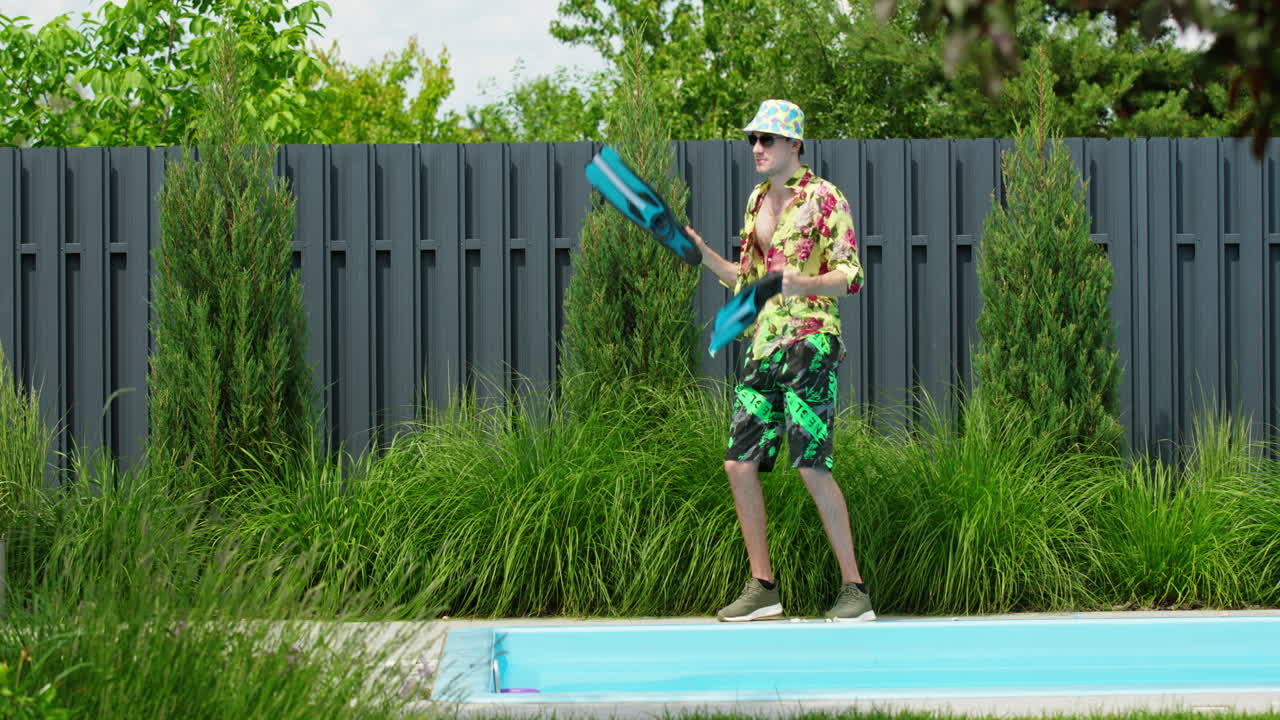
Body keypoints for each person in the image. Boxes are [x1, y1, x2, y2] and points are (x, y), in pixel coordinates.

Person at [684, 99, 873, 622]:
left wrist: (800, 282)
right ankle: (763, 586)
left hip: (811, 340)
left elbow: (851, 275)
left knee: (812, 464)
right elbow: (746, 285)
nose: (758, 148)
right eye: (753, 139)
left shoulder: (825, 198)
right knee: (738, 464)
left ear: (795, 144)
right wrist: (703, 254)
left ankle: (855, 591)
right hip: (763, 343)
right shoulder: (756, 202)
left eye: (768, 139)